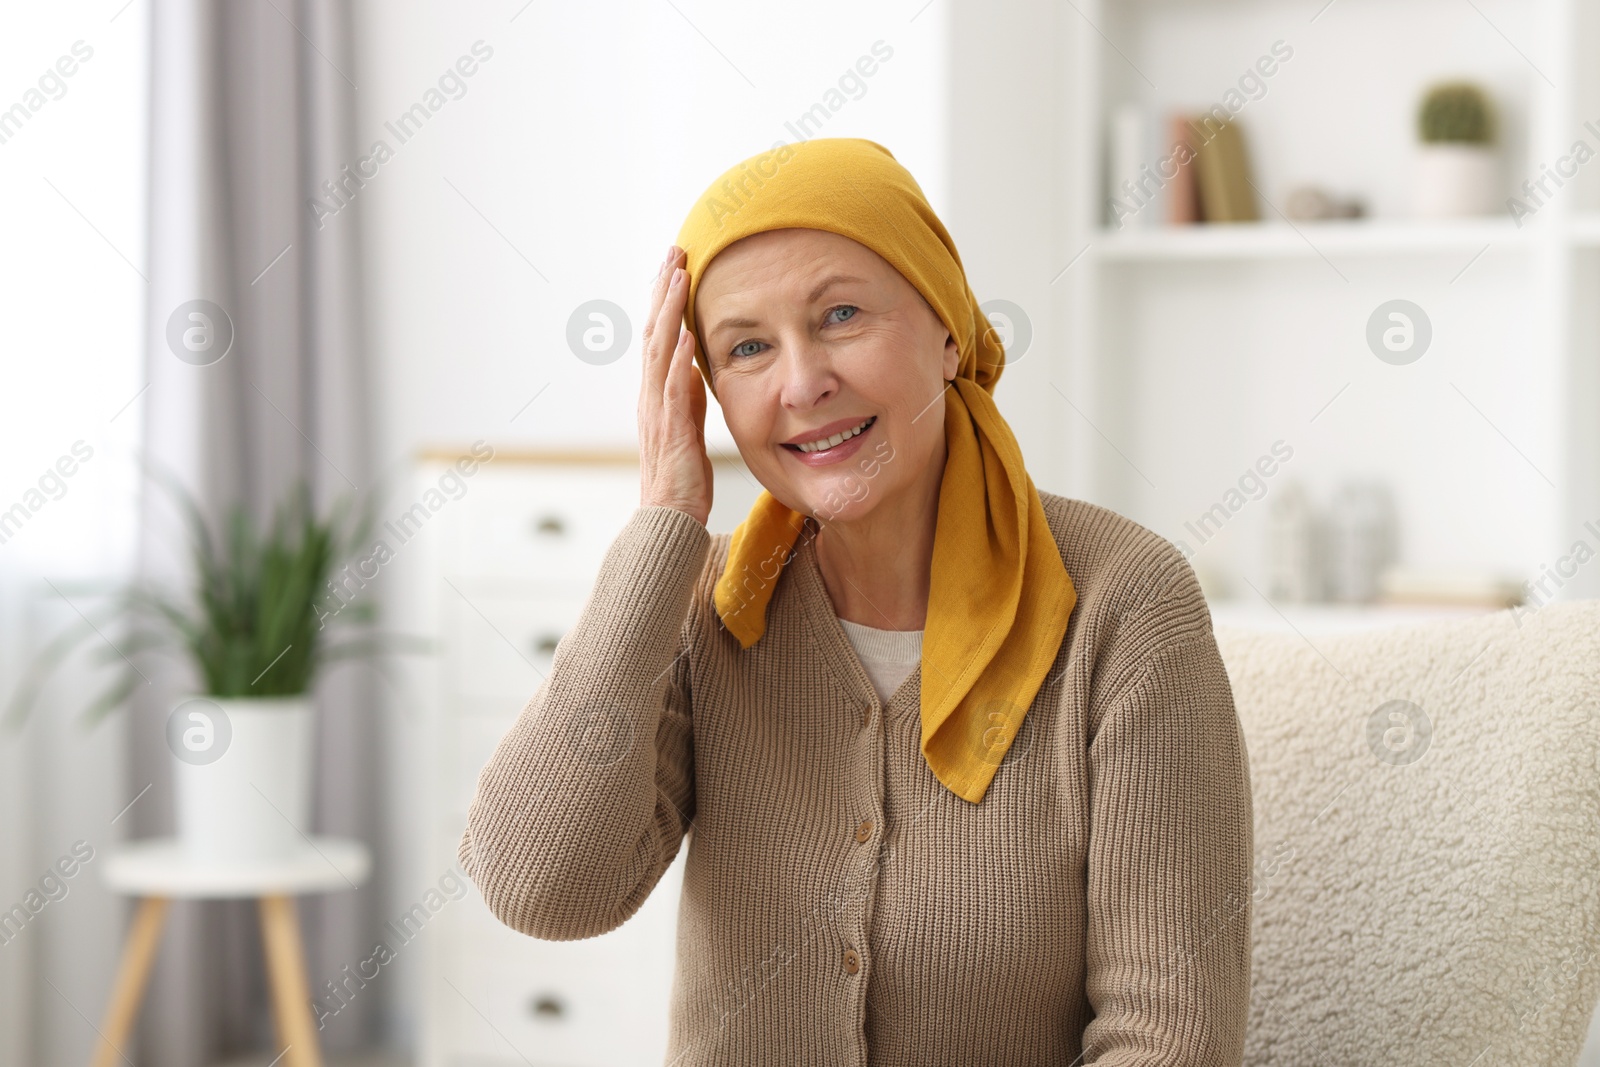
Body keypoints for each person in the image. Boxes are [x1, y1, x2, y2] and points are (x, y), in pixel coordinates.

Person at [460, 137, 1253, 1065]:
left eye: (840, 315)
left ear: (948, 328)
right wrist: (663, 526)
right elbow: (538, 887)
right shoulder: (708, 607)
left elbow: (1170, 1036)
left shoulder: (1126, 602)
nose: (801, 383)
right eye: (747, 347)